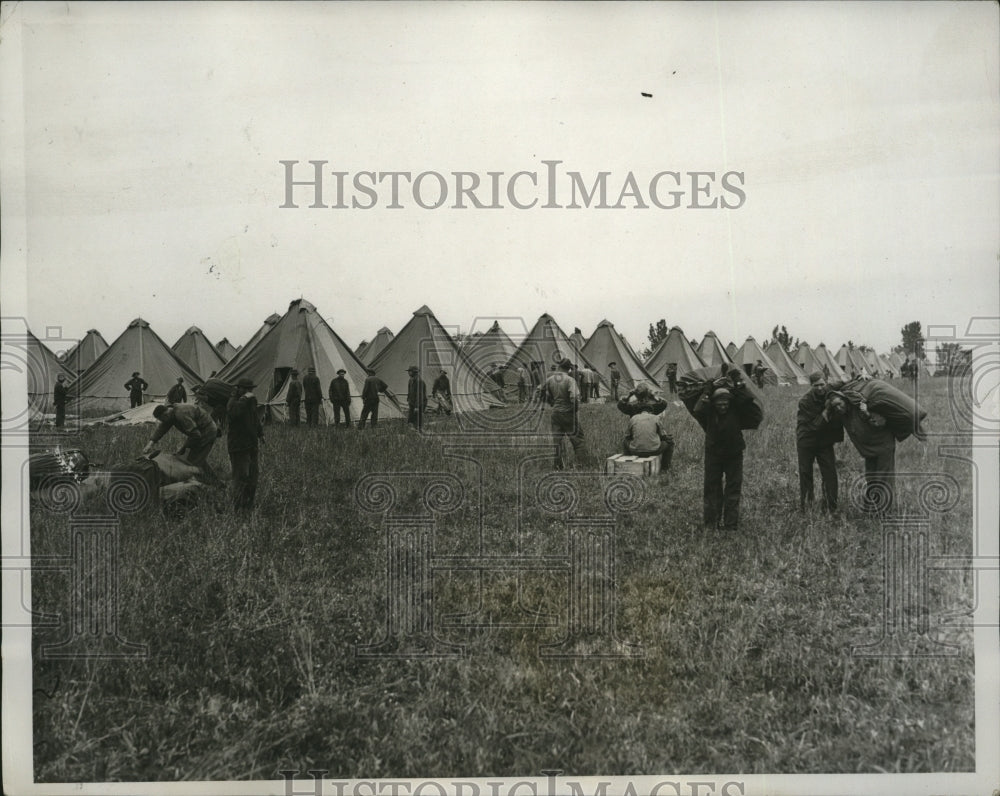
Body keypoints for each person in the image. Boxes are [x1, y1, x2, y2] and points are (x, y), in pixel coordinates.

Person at [692, 371, 763, 531]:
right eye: (719, 404)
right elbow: (698, 409)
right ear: (713, 404)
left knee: (733, 488)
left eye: (725, 404)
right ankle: (711, 523)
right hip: (714, 454)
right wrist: (708, 390)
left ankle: (731, 524)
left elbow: (748, 402)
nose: (723, 407)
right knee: (711, 487)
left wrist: (737, 384)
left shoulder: (736, 409)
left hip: (734, 454)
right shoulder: (708, 411)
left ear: (730, 403)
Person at [828, 392, 897, 514]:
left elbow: (881, 422)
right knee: (871, 478)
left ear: (845, 400)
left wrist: (867, 414)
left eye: (839, 404)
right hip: (869, 449)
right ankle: (872, 508)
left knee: (883, 478)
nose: (838, 408)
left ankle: (885, 512)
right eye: (835, 406)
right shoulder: (844, 415)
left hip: (883, 445)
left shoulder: (860, 406)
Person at [796, 371, 843, 512]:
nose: (820, 388)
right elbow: (816, 426)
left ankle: (830, 506)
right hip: (806, 440)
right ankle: (807, 506)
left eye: (822, 384)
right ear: (811, 385)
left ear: (826, 382)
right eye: (816, 385)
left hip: (824, 441)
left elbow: (842, 383)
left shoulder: (829, 389)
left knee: (830, 474)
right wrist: (828, 408)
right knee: (806, 474)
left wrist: (859, 377)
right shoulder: (805, 402)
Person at [143, 402, 219, 483]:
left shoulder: (181, 414)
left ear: (165, 414)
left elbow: (195, 435)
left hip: (207, 431)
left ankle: (202, 483)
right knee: (196, 457)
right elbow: (161, 429)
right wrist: (149, 444)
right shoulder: (170, 414)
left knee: (193, 460)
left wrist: (183, 449)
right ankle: (213, 481)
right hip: (200, 432)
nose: (163, 421)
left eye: (162, 419)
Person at [227, 376, 264, 514]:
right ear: (239, 389)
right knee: (240, 477)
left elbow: (254, 418)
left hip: (251, 444)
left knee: (252, 477)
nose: (250, 392)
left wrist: (260, 433)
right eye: (247, 389)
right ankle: (238, 508)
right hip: (238, 446)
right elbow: (232, 413)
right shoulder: (234, 401)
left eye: (250, 389)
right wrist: (244, 399)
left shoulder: (250, 401)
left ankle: (249, 505)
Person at [617, 385, 673, 470]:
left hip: (635, 442)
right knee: (664, 439)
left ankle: (629, 462)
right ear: (648, 394)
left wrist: (629, 395)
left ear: (636, 395)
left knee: (626, 440)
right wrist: (653, 396)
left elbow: (620, 405)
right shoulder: (653, 408)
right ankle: (665, 467)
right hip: (653, 442)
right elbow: (664, 403)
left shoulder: (632, 408)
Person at [543, 358, 585, 469]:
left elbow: (541, 392)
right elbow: (574, 397)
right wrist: (574, 409)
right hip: (568, 413)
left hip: (555, 413)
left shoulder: (550, 379)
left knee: (557, 441)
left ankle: (557, 466)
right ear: (569, 368)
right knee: (578, 441)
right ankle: (580, 465)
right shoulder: (570, 380)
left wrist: (551, 402)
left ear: (559, 367)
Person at [406, 365, 427, 430]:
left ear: (414, 372)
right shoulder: (410, 380)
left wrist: (417, 406)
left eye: (410, 371)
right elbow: (409, 390)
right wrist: (408, 398)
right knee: (411, 416)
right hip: (412, 402)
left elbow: (420, 395)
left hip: (420, 402)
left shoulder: (419, 381)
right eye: (408, 371)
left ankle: (419, 429)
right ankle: (415, 429)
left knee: (418, 417)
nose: (408, 373)